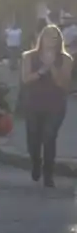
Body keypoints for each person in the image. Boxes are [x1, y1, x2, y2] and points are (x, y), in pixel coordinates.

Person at [20, 23, 73, 187]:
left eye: (55, 38)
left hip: (55, 105)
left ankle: (48, 174)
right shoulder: (29, 56)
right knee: (33, 138)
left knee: (49, 137)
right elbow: (26, 79)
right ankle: (36, 162)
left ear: (59, 41)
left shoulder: (66, 59)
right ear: (41, 39)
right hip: (34, 103)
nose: (51, 41)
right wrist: (42, 70)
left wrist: (53, 68)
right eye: (48, 36)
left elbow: (64, 85)